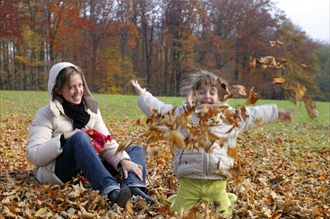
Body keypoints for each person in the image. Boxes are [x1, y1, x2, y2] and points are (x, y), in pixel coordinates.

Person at [131, 70, 290, 218]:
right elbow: (160, 111)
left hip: (217, 181)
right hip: (189, 181)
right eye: (201, 92)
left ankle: (227, 198)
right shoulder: (182, 116)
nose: (207, 96)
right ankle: (176, 199)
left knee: (224, 215)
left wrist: (276, 112)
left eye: (212, 92)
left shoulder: (230, 117)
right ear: (194, 95)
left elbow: (254, 114)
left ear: (219, 96)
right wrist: (143, 94)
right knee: (176, 215)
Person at [27, 62, 152, 209]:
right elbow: (34, 155)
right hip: (60, 171)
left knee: (135, 150)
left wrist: (123, 160)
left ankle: (133, 188)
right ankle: (112, 192)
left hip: (91, 166)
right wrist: (63, 138)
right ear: (59, 89)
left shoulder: (90, 110)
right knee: (79, 137)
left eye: (80, 85)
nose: (78, 91)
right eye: (72, 87)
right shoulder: (46, 114)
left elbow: (107, 141)